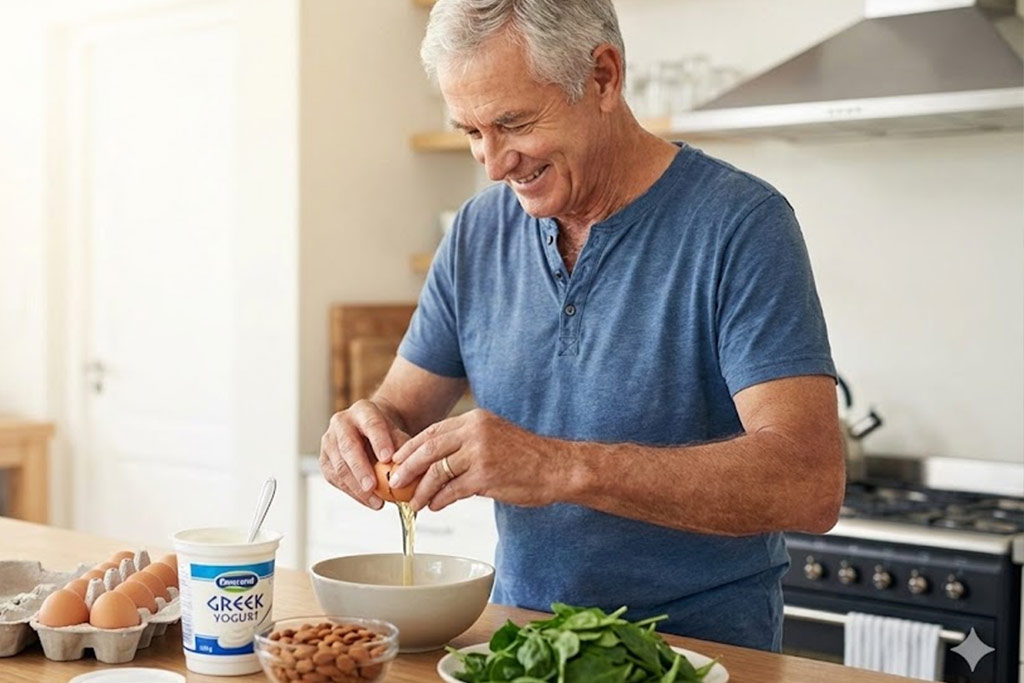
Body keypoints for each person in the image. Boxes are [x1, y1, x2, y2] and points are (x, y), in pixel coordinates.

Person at [319, 0, 844, 652]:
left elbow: (810, 481)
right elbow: (398, 410)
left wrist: (562, 468)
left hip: (699, 656)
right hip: (522, 646)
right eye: (471, 131)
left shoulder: (741, 226)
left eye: (512, 123)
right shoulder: (476, 236)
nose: (492, 161)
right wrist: (361, 431)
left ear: (603, 77)